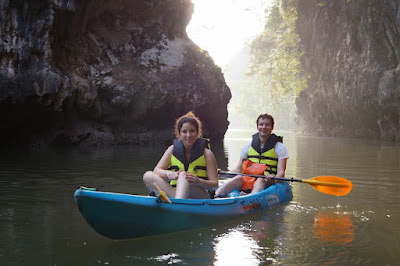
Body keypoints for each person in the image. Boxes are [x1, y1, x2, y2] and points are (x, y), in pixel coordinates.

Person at [143, 112, 219, 199]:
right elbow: (156, 171)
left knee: (184, 176)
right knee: (148, 176)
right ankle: (178, 201)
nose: (188, 135)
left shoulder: (207, 154)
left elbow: (214, 185)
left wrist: (198, 181)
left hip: (200, 195)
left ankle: (177, 204)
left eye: (192, 131)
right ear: (179, 134)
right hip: (176, 194)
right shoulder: (172, 149)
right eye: (184, 131)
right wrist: (168, 173)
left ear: (198, 133)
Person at [215, 113, 288, 197]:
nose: (263, 127)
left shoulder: (280, 148)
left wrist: (273, 178)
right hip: (248, 179)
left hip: (267, 181)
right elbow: (238, 169)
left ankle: (250, 197)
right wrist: (223, 174)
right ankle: (216, 195)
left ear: (272, 127)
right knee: (238, 177)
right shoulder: (248, 146)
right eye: (261, 124)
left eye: (267, 125)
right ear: (257, 126)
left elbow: (281, 172)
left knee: (260, 180)